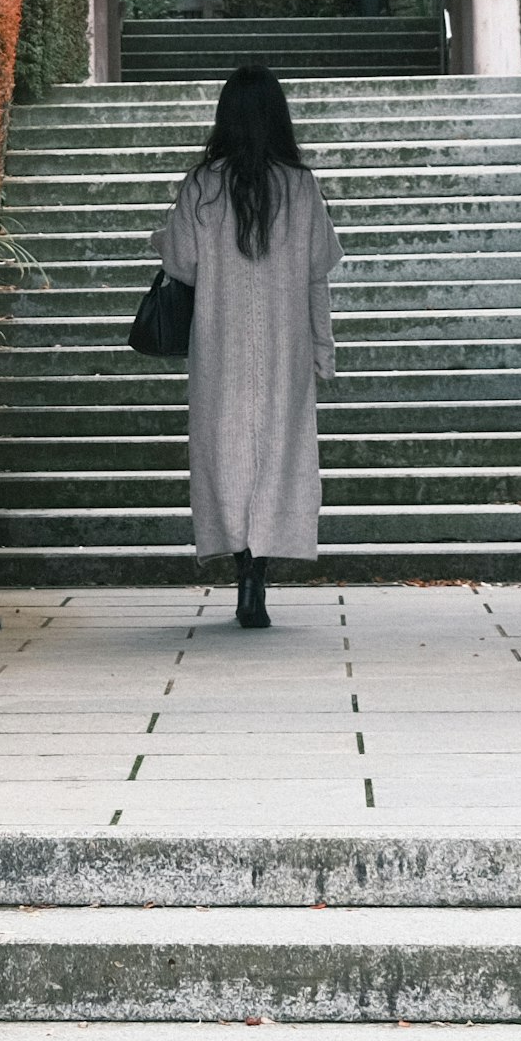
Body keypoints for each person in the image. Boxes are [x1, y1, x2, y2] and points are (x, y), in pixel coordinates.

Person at [156, 64, 341, 629]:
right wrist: (322, 346)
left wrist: (162, 236)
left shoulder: (202, 185)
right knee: (280, 454)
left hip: (220, 345)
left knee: (225, 454)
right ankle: (260, 570)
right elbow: (318, 275)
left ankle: (240, 564)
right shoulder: (300, 185)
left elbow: (179, 262)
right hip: (284, 349)